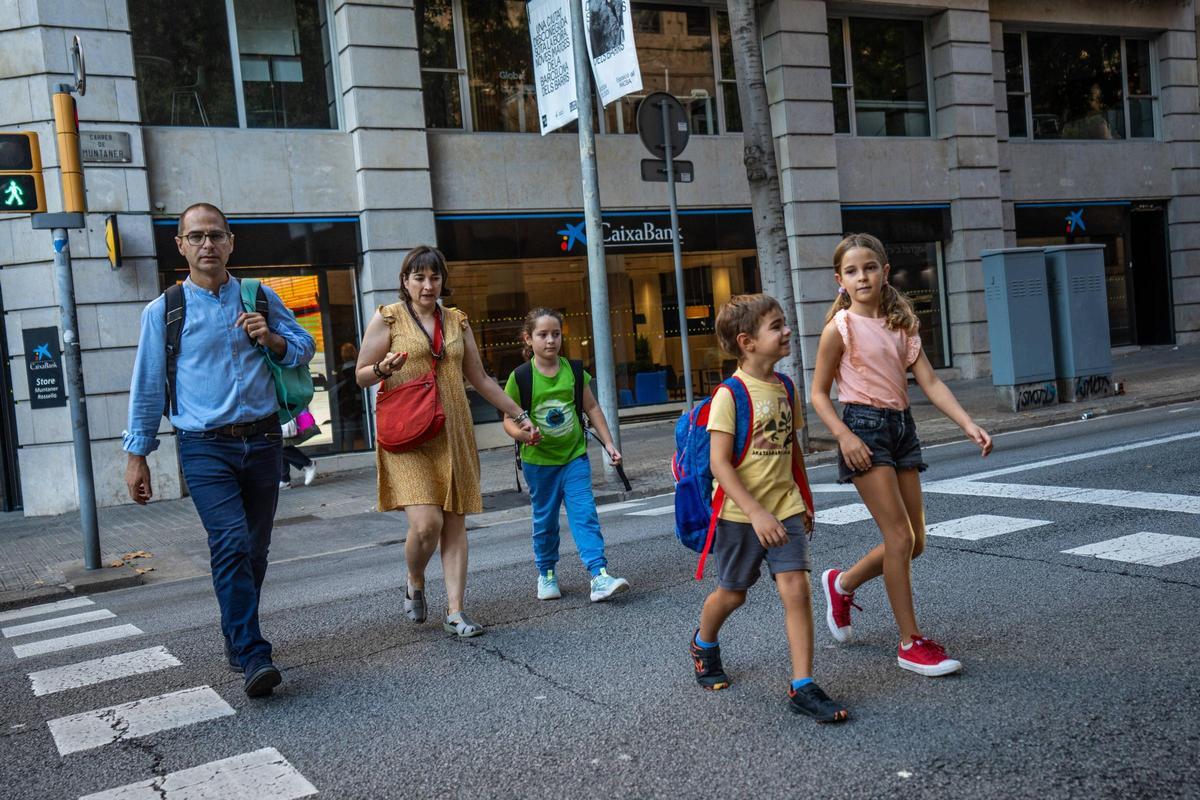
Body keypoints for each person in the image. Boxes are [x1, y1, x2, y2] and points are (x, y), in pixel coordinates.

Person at [123, 202, 315, 698]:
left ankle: (237, 636)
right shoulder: (165, 310)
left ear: (231, 242)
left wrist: (270, 337)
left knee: (255, 550)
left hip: (265, 438)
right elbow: (147, 385)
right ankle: (253, 653)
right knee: (229, 543)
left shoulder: (259, 295)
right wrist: (137, 453)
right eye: (196, 236)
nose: (207, 244)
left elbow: (304, 347)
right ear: (181, 245)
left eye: (216, 235)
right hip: (205, 447)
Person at [810, 233, 993, 677]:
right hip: (863, 431)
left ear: (885, 271)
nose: (862, 276)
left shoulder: (900, 323)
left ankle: (843, 582)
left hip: (902, 429)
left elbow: (929, 382)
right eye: (852, 271)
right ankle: (910, 643)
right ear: (840, 281)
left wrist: (967, 423)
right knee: (899, 538)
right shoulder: (841, 328)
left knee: (916, 542)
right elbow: (817, 393)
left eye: (869, 267)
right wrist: (843, 436)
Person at [356, 246, 536, 638]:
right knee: (426, 524)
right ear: (405, 281)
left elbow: (482, 379)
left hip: (452, 430)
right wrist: (381, 368)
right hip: (408, 435)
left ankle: (455, 610)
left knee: (454, 523)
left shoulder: (457, 321)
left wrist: (519, 415)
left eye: (434, 277)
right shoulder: (388, 318)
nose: (427, 284)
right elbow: (360, 375)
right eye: (418, 277)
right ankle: (414, 576)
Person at [689, 293, 847, 723]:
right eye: (776, 326)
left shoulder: (786, 386)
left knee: (796, 589)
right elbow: (720, 463)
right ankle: (704, 642)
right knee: (733, 593)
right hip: (740, 516)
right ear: (747, 341)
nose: (787, 331)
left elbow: (791, 450)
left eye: (785, 323)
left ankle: (803, 685)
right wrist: (756, 513)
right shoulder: (731, 394)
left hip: (786, 508)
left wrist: (805, 500)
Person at [502, 308, 630, 603]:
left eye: (556, 334)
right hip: (539, 463)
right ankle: (546, 573)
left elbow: (592, 408)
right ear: (528, 338)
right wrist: (522, 435)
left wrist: (609, 445)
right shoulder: (521, 377)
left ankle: (599, 575)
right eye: (543, 335)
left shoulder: (573, 371)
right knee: (545, 520)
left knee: (585, 515)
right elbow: (508, 420)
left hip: (574, 457)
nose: (550, 341)